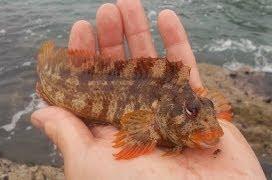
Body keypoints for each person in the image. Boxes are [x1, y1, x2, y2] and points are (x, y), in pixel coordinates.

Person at [31, 0, 266, 179]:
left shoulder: (186, 106)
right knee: (58, 88)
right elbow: (136, 131)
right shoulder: (154, 119)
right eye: (192, 113)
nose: (211, 129)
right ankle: (49, 71)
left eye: (207, 114)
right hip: (87, 87)